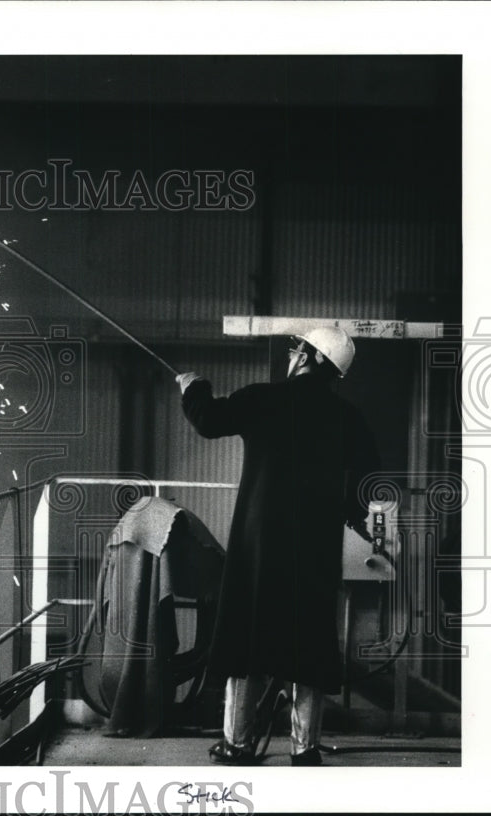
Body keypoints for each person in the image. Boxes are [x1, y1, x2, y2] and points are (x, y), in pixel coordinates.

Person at [176, 327, 379, 766]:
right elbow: (369, 481)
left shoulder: (264, 399)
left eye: (295, 348)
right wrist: (347, 510)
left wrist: (193, 386)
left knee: (247, 637)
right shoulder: (349, 418)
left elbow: (209, 420)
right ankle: (304, 749)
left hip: (259, 547)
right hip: (315, 551)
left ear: (307, 357)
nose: (291, 354)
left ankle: (237, 744)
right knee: (309, 640)